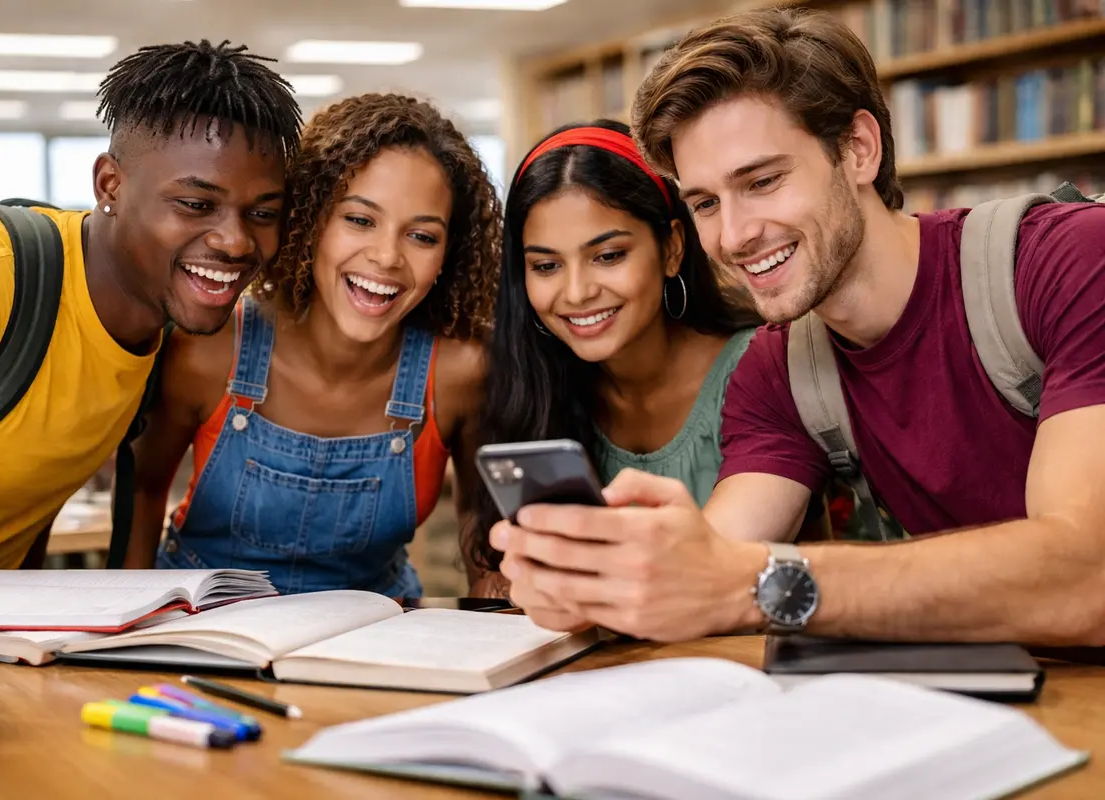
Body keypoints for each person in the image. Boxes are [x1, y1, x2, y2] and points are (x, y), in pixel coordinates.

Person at [490, 7, 1105, 647]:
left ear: (858, 150)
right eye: (705, 202)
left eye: (762, 181)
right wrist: (611, 581)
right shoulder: (776, 367)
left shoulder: (1070, 259)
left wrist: (744, 579)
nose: (732, 236)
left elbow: (1089, 578)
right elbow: (714, 564)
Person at [0, 40, 301, 569]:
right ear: (109, 184)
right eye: (195, 205)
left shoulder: (165, 329)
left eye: (262, 214)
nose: (234, 241)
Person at [124, 93, 503, 600]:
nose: (387, 256)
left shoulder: (458, 373)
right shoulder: (212, 351)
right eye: (359, 220)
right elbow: (144, 493)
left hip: (373, 628)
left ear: (448, 256)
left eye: (422, 236)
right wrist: (128, 627)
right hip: (205, 622)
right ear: (310, 220)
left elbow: (484, 530)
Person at [468, 119, 764, 578]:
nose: (577, 292)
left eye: (608, 256)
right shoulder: (535, 385)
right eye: (546, 265)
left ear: (671, 248)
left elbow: (718, 576)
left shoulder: (754, 368)